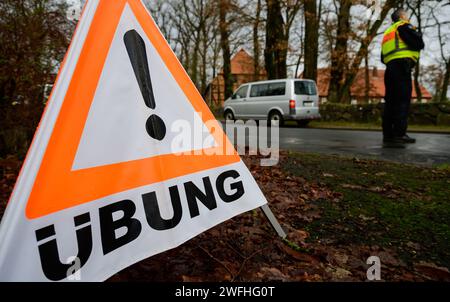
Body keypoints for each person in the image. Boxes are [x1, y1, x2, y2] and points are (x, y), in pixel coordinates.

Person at [381, 8, 424, 146]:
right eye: (406, 14)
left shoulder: (388, 32)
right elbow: (418, 44)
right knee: (402, 100)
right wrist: (417, 34)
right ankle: (400, 134)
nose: (408, 17)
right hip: (402, 67)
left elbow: (382, 57)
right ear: (401, 16)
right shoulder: (403, 26)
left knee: (390, 102)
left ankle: (388, 135)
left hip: (390, 68)